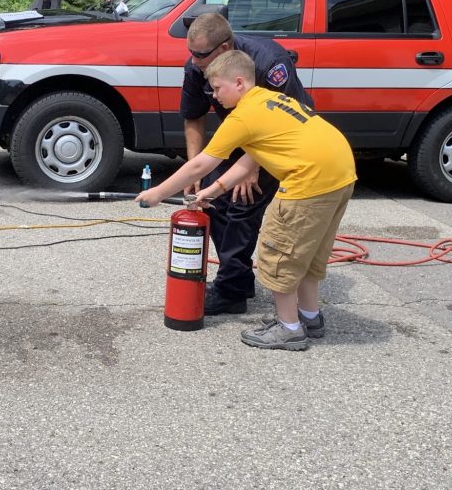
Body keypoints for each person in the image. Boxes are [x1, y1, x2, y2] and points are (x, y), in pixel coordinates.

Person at [137, 50, 356, 351]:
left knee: (280, 256)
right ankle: (310, 317)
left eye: (217, 88)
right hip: (341, 175)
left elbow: (201, 164)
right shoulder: (270, 100)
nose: (214, 96)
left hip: (308, 181)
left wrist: (157, 194)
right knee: (307, 254)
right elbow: (253, 156)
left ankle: (289, 329)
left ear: (238, 82)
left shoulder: (242, 116)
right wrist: (215, 190)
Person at [179, 13, 312, 316]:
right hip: (242, 134)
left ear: (224, 49)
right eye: (190, 53)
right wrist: (194, 170)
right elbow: (193, 116)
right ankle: (236, 280)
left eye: (200, 54)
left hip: (282, 138)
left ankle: (231, 290)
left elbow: (284, 123)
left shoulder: (269, 62)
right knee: (210, 199)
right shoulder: (196, 67)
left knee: (242, 201)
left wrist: (253, 169)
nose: (193, 60)